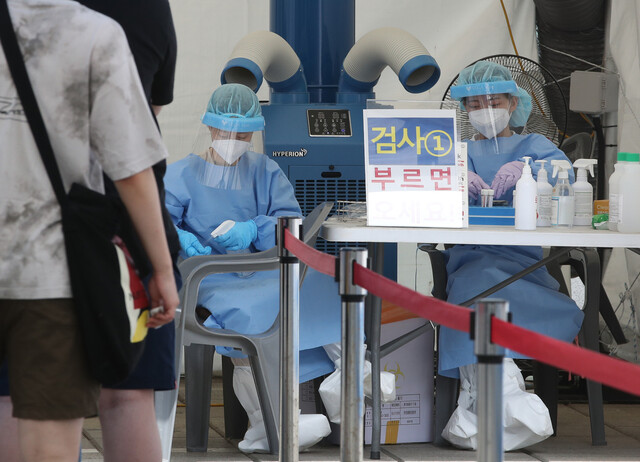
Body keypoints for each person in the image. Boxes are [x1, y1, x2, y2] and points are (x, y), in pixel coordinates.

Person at [0, 1, 180, 461]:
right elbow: (132, 162)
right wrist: (160, 267)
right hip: (55, 265)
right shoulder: (100, 31)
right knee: (118, 398)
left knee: (5, 399)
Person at [164, 83, 343, 453]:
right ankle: (269, 421)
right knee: (246, 315)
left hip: (262, 270)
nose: (234, 140)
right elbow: (157, 222)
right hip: (211, 277)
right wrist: (181, 240)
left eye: (243, 133)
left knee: (318, 282)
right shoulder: (181, 175)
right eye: (227, 131)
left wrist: (253, 229)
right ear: (211, 127)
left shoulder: (265, 170)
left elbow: (290, 224)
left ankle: (349, 377)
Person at [437, 61, 583, 449]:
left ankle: (486, 400)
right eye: (474, 104)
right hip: (469, 260)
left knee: (478, 293)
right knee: (474, 284)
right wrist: (453, 175)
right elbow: (427, 180)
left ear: (513, 103)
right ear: (463, 110)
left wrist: (528, 170)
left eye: (494, 100)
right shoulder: (457, 150)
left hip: (526, 268)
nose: (484, 109)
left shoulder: (534, 146)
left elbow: (567, 174)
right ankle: (506, 395)